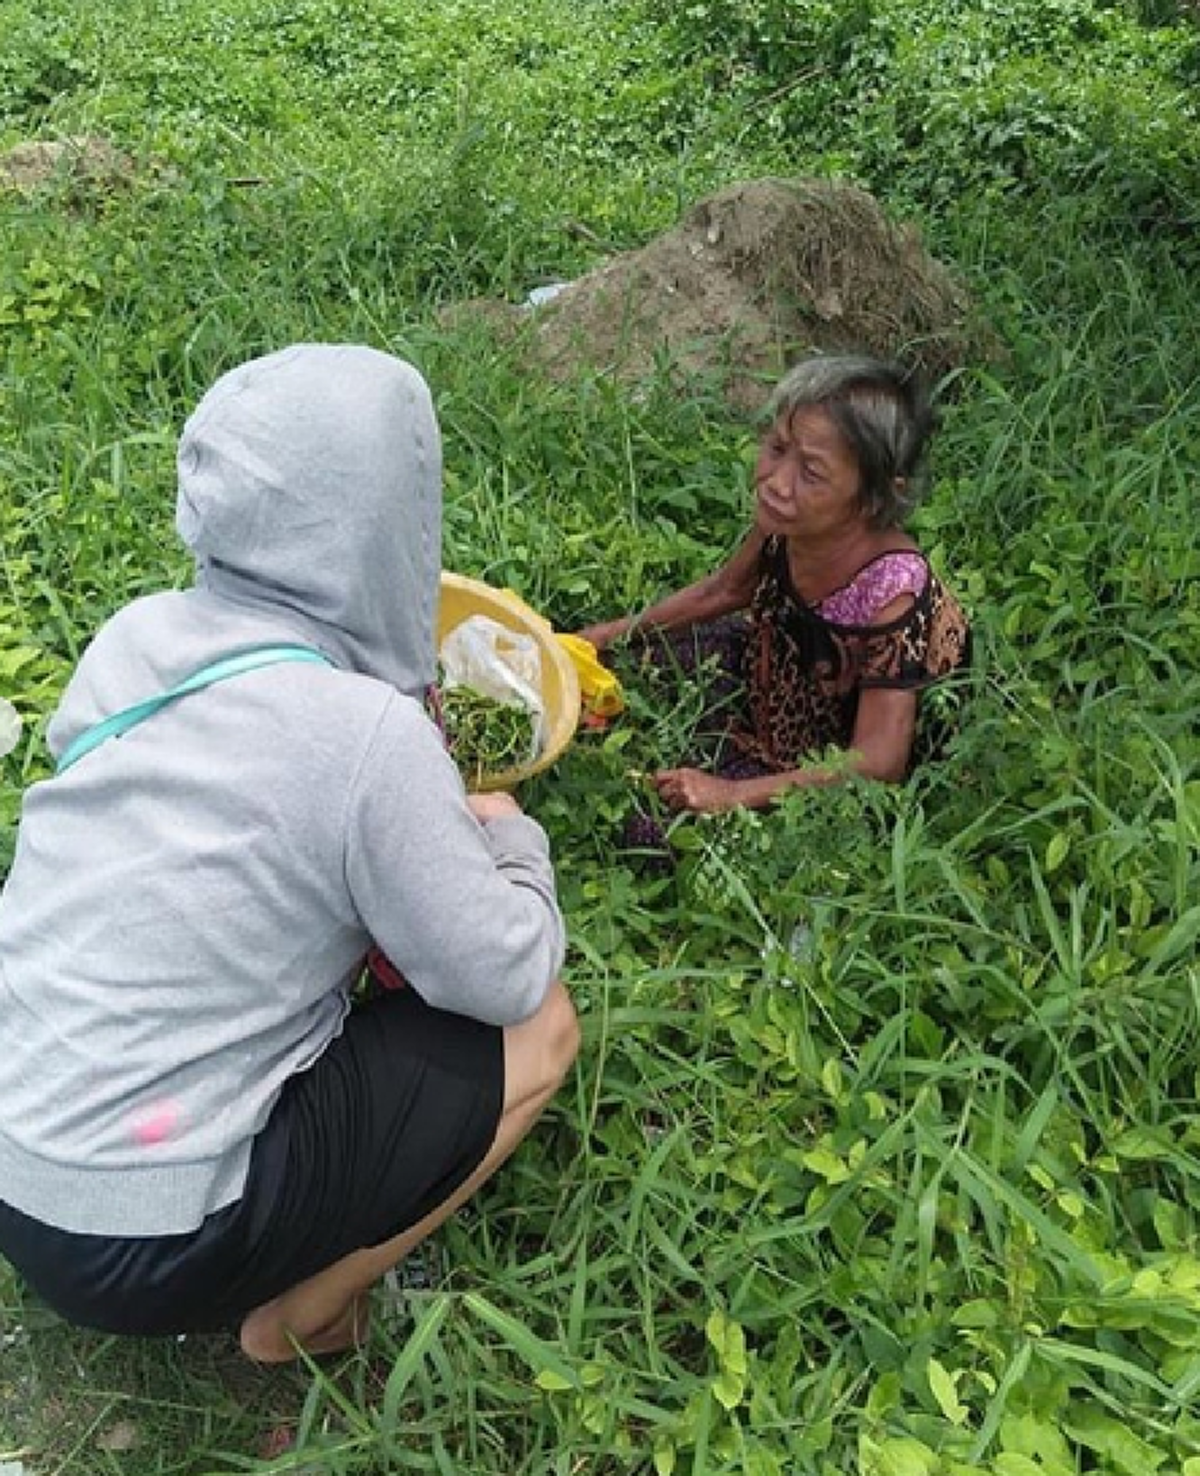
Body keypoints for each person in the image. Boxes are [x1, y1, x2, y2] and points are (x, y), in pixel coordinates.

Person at [0, 345, 578, 1363]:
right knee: (542, 1028)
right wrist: (512, 838)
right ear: (389, 531)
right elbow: (501, 970)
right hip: (149, 1231)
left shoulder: (131, 641)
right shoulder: (365, 736)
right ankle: (306, 1316)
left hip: (21, 1168)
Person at [579, 354, 971, 813]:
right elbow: (725, 591)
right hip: (775, 676)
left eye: (812, 472)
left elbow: (881, 761)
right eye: (778, 448)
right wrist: (600, 638)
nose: (777, 483)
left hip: (829, 759)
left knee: (649, 816)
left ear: (874, 497)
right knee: (624, 664)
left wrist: (730, 796)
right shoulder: (787, 521)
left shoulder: (894, 594)